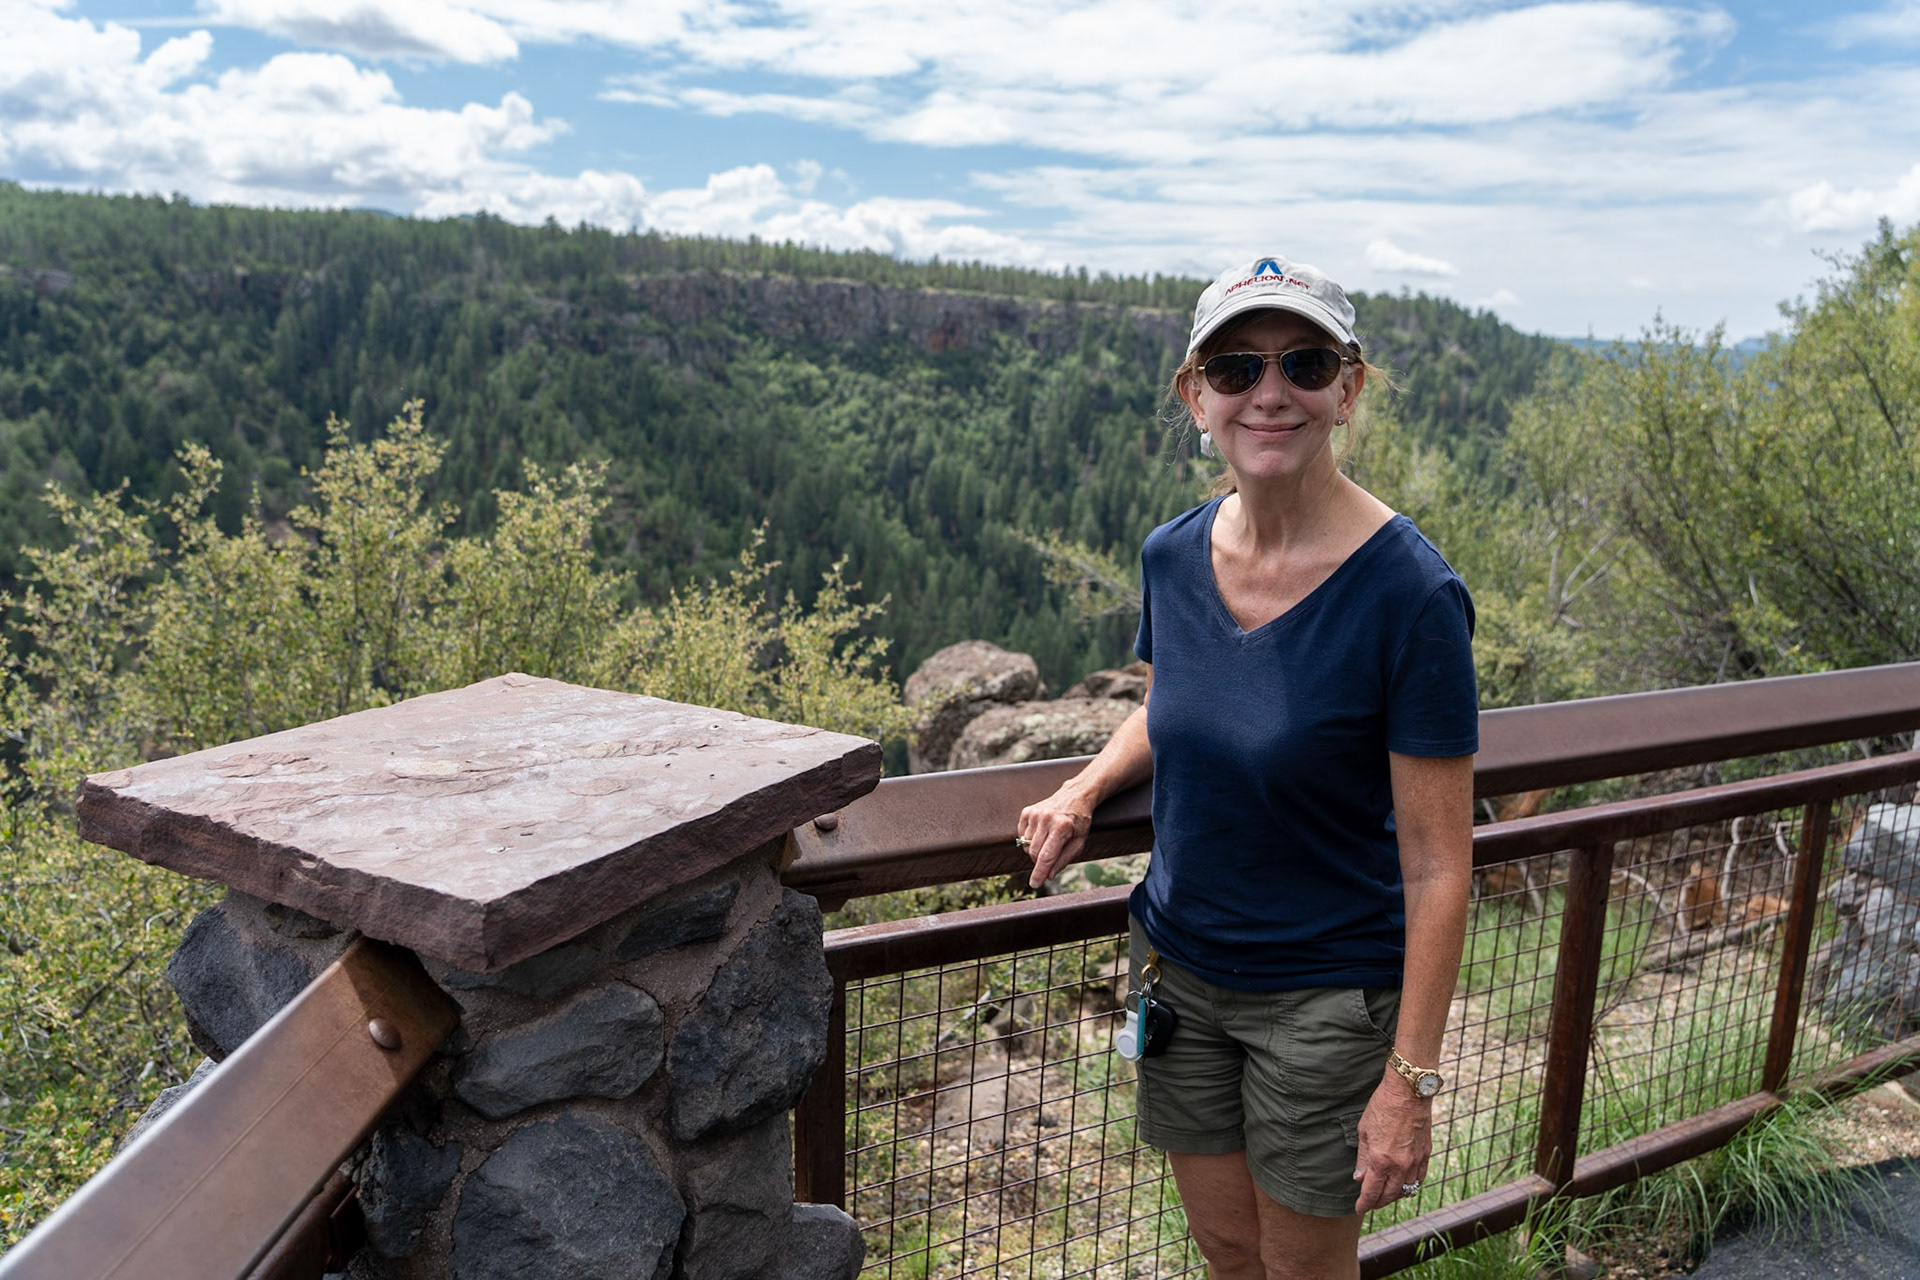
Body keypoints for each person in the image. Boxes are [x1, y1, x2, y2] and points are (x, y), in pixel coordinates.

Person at [1015, 255, 1477, 1280]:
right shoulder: (1172, 556)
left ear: (1347, 390)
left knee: (1302, 1269)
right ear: (1197, 397)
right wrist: (1085, 786)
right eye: (1235, 369)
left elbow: (1441, 863)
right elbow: (1173, 701)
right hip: (1181, 971)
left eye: (1303, 363)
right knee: (1228, 1252)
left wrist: (1409, 1080)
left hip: (1325, 997)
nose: (1270, 393)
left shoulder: (1410, 594)